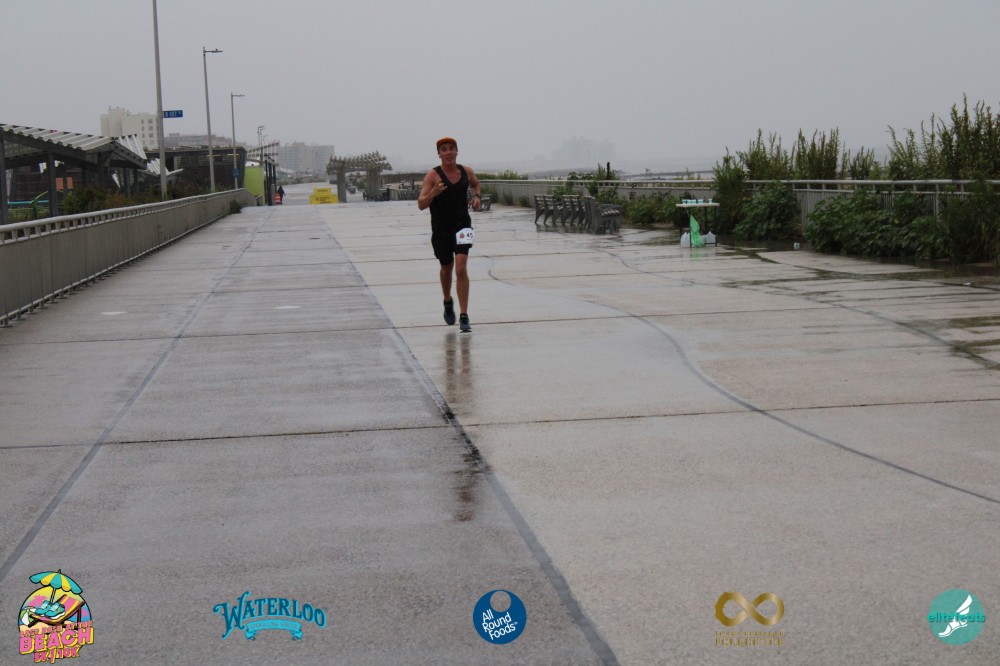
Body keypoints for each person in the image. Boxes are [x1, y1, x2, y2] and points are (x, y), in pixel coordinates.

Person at [417, 137, 482, 332]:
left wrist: (476, 197)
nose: (448, 153)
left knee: (461, 268)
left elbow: (476, 184)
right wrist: (434, 193)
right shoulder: (433, 175)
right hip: (441, 229)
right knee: (446, 268)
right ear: (439, 154)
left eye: (452, 149)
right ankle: (447, 301)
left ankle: (464, 316)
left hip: (463, 226)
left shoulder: (466, 171)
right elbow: (421, 204)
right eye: (444, 150)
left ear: (457, 151)